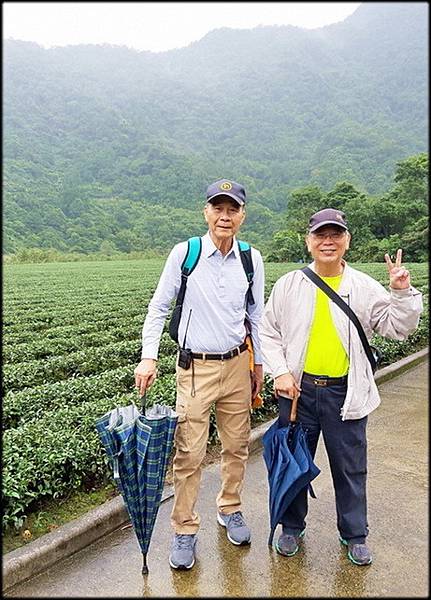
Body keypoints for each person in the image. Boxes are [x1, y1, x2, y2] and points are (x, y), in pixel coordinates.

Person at [259, 208, 423, 566]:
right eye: (321, 235)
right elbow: (268, 331)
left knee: (350, 467)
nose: (328, 241)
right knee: (295, 461)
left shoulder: (362, 285)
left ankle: (354, 533)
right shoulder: (290, 284)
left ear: (347, 240)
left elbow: (397, 327)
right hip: (298, 392)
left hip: (344, 393)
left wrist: (402, 292)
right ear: (309, 241)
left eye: (335, 234)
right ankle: (291, 527)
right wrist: (280, 373)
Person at [134, 179, 265, 570]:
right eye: (218, 208)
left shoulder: (250, 258)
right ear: (206, 212)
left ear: (242, 215)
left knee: (236, 445)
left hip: (238, 366)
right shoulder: (185, 254)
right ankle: (185, 529)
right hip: (196, 368)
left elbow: (256, 314)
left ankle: (230, 508)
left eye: (233, 209)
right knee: (189, 452)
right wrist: (149, 357)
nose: (225, 216)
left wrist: (259, 366)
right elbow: (159, 307)